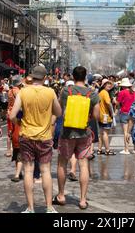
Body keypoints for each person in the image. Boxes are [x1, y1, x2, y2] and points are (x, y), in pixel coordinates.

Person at [10, 66, 61, 213]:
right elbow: (58, 112)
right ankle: (49, 207)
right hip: (44, 137)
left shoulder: (23, 92)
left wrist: (19, 123)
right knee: (45, 171)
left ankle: (30, 208)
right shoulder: (50, 92)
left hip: (26, 135)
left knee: (28, 171)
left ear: (31, 77)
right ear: (45, 78)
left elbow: (12, 115)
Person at [54, 66, 100, 210]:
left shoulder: (66, 91)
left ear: (73, 77)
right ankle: (82, 200)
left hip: (67, 132)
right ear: (85, 77)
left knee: (62, 163)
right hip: (84, 133)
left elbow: (58, 111)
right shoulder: (92, 93)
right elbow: (97, 116)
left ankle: (61, 196)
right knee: (83, 165)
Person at [7, 75, 23, 182]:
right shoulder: (18, 92)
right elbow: (20, 105)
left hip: (10, 115)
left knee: (15, 142)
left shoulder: (10, 91)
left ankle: (18, 171)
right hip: (17, 116)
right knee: (19, 146)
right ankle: (18, 173)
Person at [116, 77, 135, 154]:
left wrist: (115, 100)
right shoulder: (134, 93)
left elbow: (118, 103)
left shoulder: (122, 92)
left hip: (124, 112)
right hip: (133, 113)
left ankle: (126, 149)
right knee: (133, 131)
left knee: (125, 132)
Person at [97, 78, 116, 155]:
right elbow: (108, 103)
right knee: (105, 133)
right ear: (103, 85)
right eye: (107, 84)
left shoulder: (101, 92)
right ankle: (107, 150)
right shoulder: (105, 93)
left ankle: (99, 149)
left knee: (101, 133)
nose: (109, 85)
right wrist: (112, 113)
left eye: (109, 84)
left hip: (100, 115)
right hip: (105, 116)